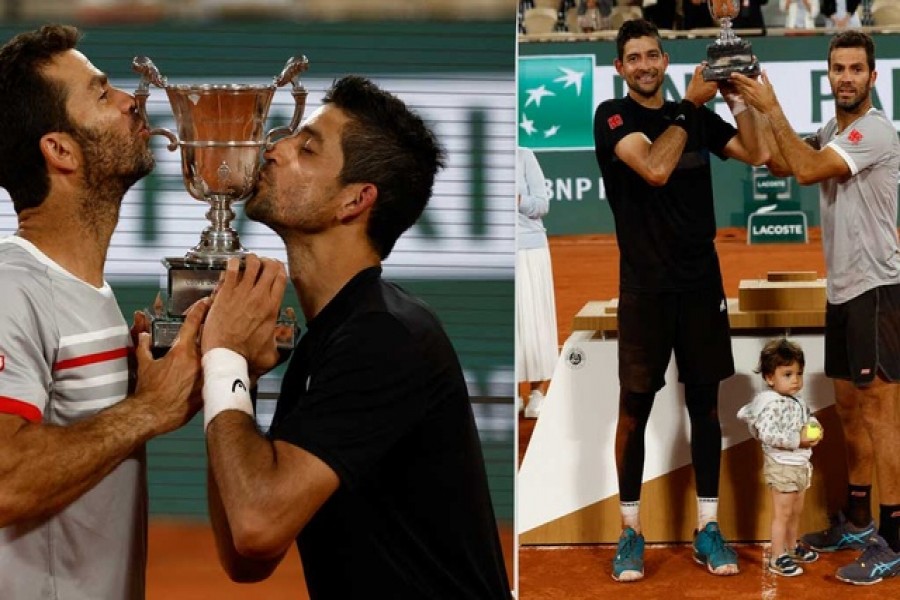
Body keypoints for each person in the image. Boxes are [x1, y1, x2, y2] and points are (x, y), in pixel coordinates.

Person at [197, 76, 511, 598]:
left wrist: (224, 355)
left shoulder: (383, 337)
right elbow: (244, 554)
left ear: (354, 202)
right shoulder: (333, 338)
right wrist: (237, 381)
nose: (273, 150)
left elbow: (257, 523)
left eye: (307, 148)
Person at [0, 24, 207, 598]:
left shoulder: (84, 289)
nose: (131, 100)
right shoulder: (11, 288)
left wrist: (189, 380)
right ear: (59, 150)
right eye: (101, 93)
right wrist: (146, 410)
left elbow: (91, 439)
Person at [592, 18, 766, 582]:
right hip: (644, 286)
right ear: (621, 68)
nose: (644, 65)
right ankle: (631, 533)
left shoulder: (698, 114)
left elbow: (759, 152)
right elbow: (655, 167)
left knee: (704, 407)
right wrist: (691, 106)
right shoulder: (612, 117)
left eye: (652, 55)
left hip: (700, 284)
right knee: (635, 410)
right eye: (633, 57)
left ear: (665, 60)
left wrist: (739, 99)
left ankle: (708, 528)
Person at [733, 29, 900, 586]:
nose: (846, 77)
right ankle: (857, 518)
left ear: (873, 77)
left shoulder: (873, 131)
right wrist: (743, 103)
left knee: (880, 414)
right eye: (839, 68)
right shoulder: (834, 130)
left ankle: (894, 537)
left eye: (856, 68)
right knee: (850, 410)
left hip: (877, 291)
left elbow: (805, 170)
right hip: (843, 292)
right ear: (828, 75)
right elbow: (781, 161)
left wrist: (771, 104)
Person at [737, 339, 822, 577]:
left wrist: (815, 428)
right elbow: (769, 434)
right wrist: (799, 440)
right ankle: (777, 556)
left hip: (801, 464)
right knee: (782, 513)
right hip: (782, 465)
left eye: (799, 373)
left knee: (795, 511)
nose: (795, 379)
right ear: (769, 377)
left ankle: (792, 547)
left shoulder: (797, 401)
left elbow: (809, 418)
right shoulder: (769, 404)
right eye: (787, 374)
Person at [517, 147, 559, 419]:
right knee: (513, 326)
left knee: (534, 322)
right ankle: (512, 393)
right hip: (500, 255)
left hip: (530, 251)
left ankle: (537, 392)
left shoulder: (523, 156)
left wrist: (518, 200)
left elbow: (543, 204)